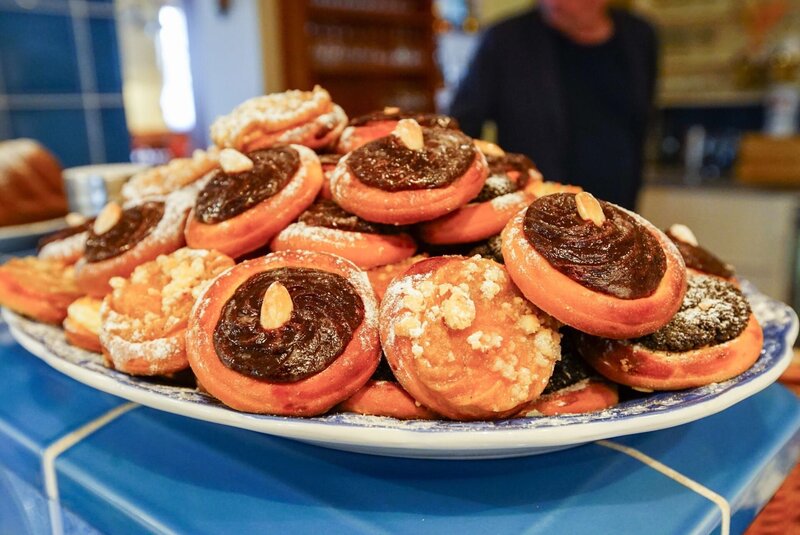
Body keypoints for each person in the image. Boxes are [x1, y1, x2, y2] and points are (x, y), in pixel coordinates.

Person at [448, 0, 658, 210]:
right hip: (534, 211)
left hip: (619, 207)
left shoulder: (639, 35)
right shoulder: (505, 39)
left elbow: (641, 123)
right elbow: (461, 130)